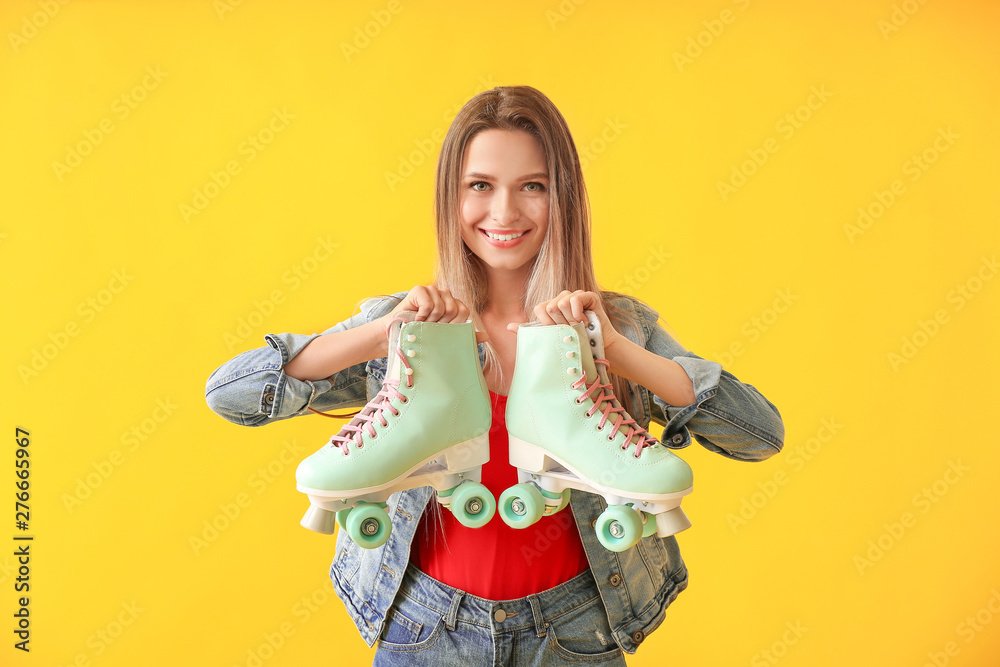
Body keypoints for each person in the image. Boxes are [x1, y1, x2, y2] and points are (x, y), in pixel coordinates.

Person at [205, 85, 785, 665]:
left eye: (532, 186)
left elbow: (760, 436)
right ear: (449, 200)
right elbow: (229, 394)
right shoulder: (411, 326)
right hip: (425, 627)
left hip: (575, 629)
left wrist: (610, 348)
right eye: (479, 186)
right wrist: (383, 334)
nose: (504, 212)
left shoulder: (618, 326)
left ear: (564, 200)